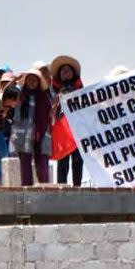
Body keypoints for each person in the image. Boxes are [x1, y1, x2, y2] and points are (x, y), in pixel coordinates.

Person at [10, 68, 53, 186]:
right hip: (23, 136)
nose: (32, 82)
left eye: (35, 80)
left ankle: (45, 192)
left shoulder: (45, 97)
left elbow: (53, 111)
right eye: (29, 79)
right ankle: (27, 191)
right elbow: (4, 94)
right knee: (25, 168)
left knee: (43, 166)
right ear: (26, 81)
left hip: (42, 135)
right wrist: (14, 81)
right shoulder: (19, 96)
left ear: (39, 82)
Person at [50, 55, 85, 187]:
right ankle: (61, 188)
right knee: (62, 162)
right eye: (63, 70)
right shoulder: (53, 93)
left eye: (68, 69)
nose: (65, 71)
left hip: (78, 132)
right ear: (59, 74)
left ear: (73, 73)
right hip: (62, 133)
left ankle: (78, 187)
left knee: (78, 161)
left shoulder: (81, 91)